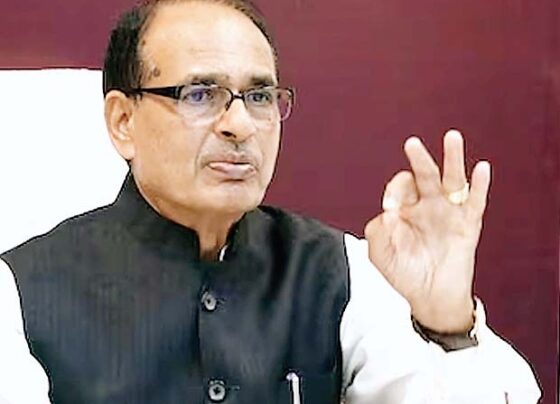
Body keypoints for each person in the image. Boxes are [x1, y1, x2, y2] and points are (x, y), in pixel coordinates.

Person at [0, 0, 541, 403]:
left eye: (259, 96)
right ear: (123, 122)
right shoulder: (20, 292)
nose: (240, 124)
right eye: (200, 94)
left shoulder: (338, 269)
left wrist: (447, 323)